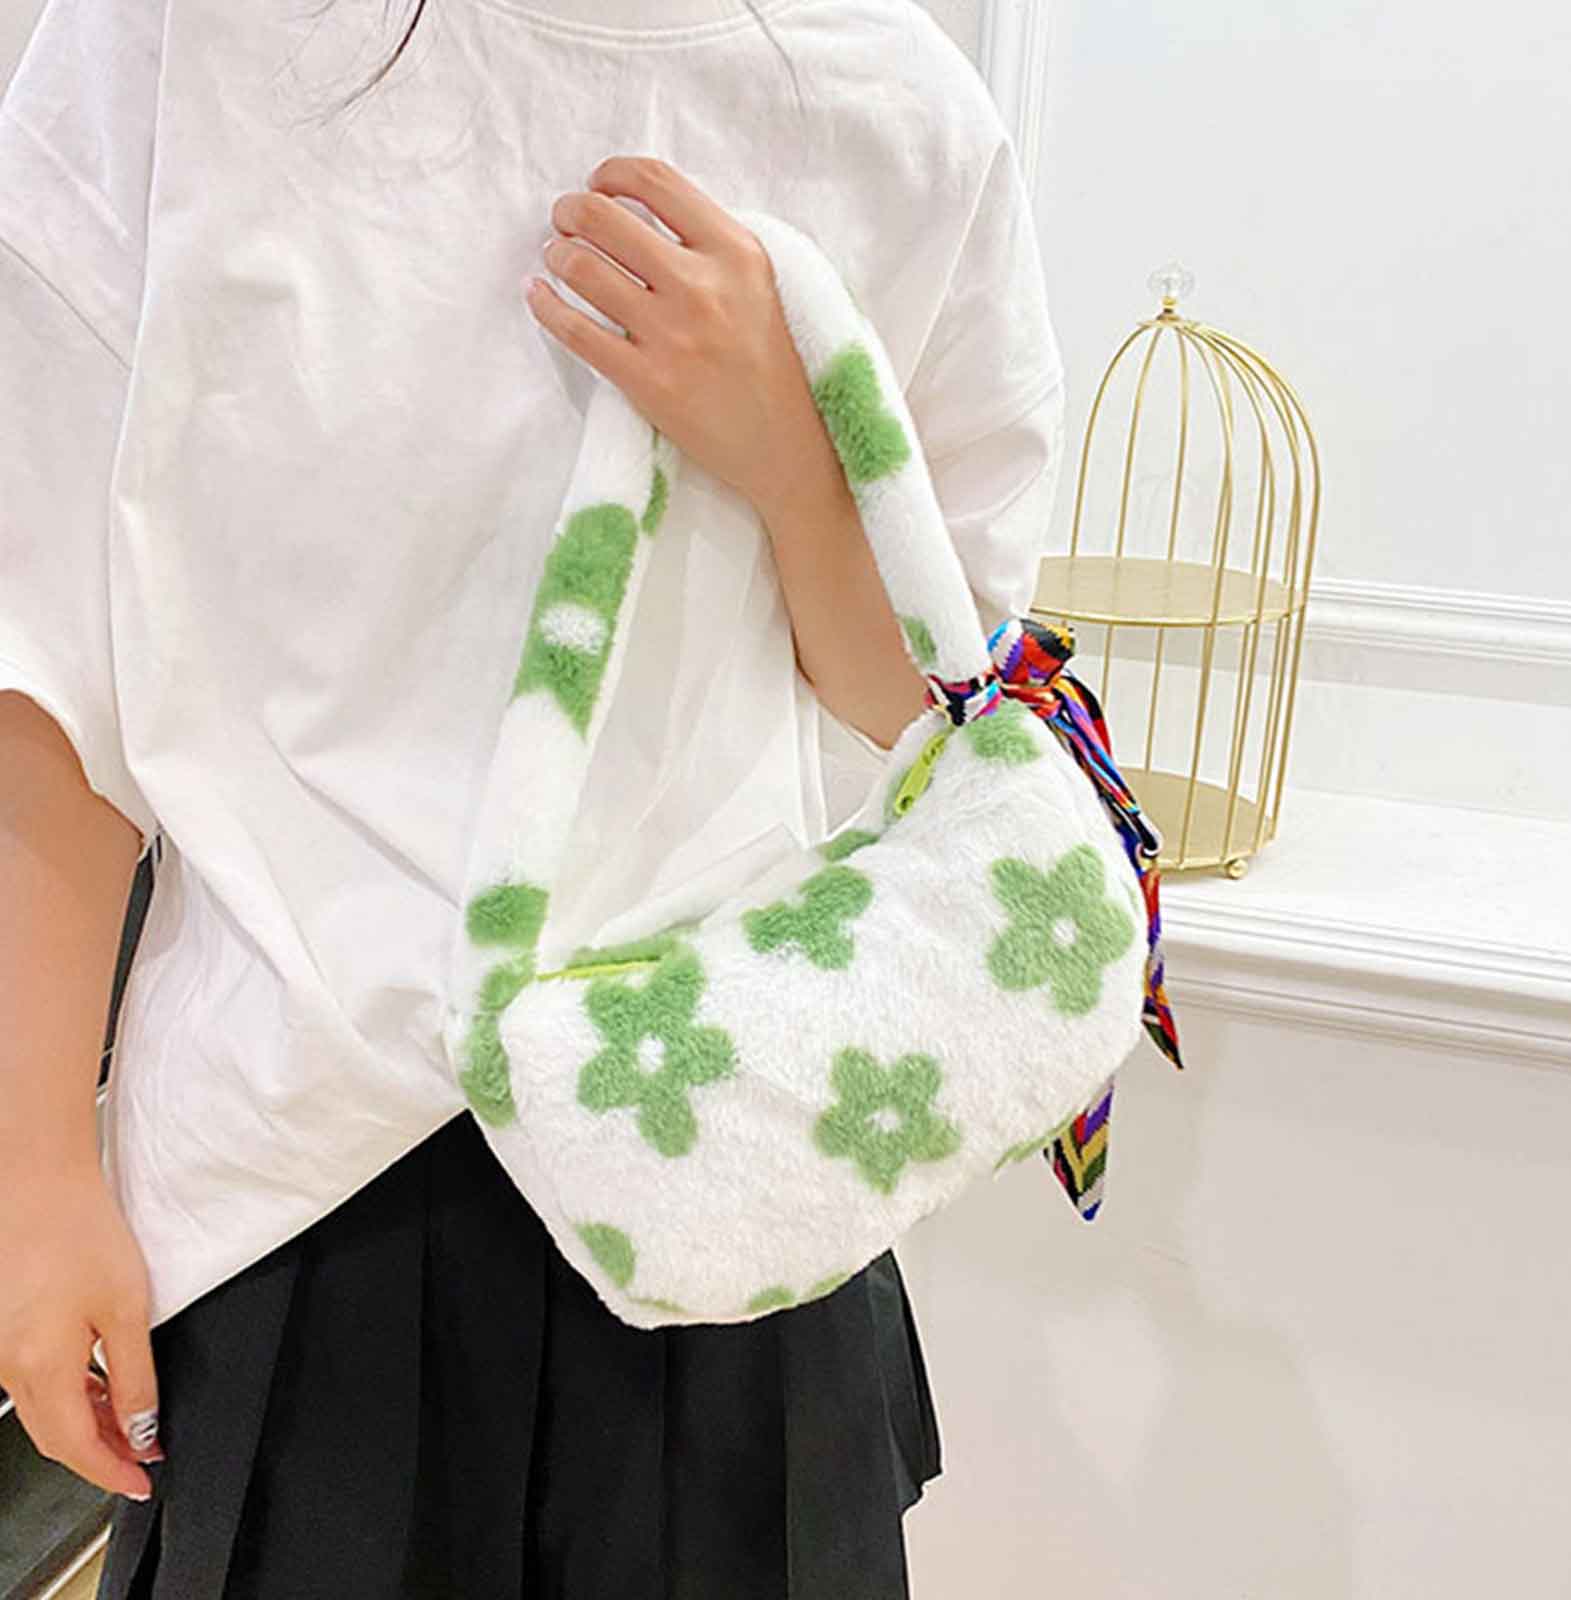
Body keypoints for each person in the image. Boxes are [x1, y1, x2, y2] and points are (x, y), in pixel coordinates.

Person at [0, 0, 1069, 1592]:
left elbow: (938, 719)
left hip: (733, 1162)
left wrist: (795, 458)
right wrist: (31, 1168)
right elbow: (42, 642)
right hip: (296, 1199)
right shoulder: (183, 38)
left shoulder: (895, 107)